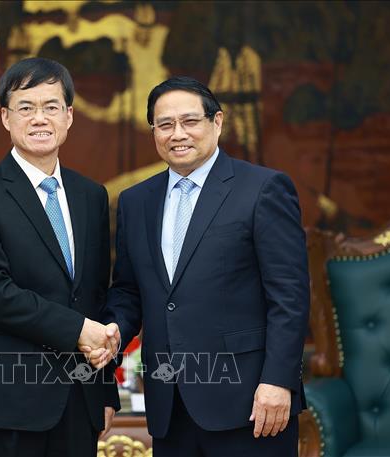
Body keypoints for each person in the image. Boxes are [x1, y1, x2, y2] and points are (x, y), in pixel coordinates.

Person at [91, 76, 309, 457]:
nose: (178, 134)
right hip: (169, 407)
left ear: (217, 122)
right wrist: (109, 335)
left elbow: (289, 296)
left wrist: (278, 380)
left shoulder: (263, 189)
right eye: (165, 124)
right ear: (154, 132)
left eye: (190, 121)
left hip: (251, 403)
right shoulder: (135, 202)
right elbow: (128, 292)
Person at [0, 57, 120, 457]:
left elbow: (95, 295)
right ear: (5, 117)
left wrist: (104, 390)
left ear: (69, 116)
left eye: (51, 107)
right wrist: (79, 330)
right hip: (7, 403)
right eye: (25, 107)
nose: (39, 118)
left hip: (79, 399)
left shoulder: (91, 195)